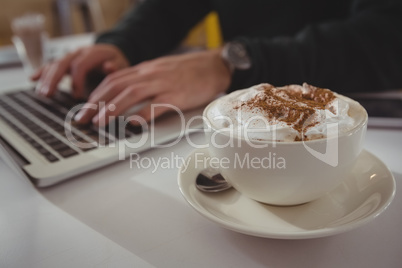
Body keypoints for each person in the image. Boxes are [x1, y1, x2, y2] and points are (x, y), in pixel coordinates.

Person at [32, 0, 402, 127]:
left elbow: (388, 35)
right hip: (239, 109)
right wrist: (122, 44)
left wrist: (232, 62)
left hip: (354, 114)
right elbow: (170, 8)